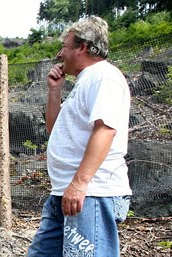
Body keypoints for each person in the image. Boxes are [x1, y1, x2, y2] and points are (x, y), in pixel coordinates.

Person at [27, 16, 132, 257]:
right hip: (64, 193)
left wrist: (79, 183)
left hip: (91, 194)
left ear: (82, 47)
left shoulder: (103, 76)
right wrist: (55, 91)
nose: (59, 54)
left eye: (64, 46)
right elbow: (55, 130)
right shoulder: (85, 82)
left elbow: (105, 130)